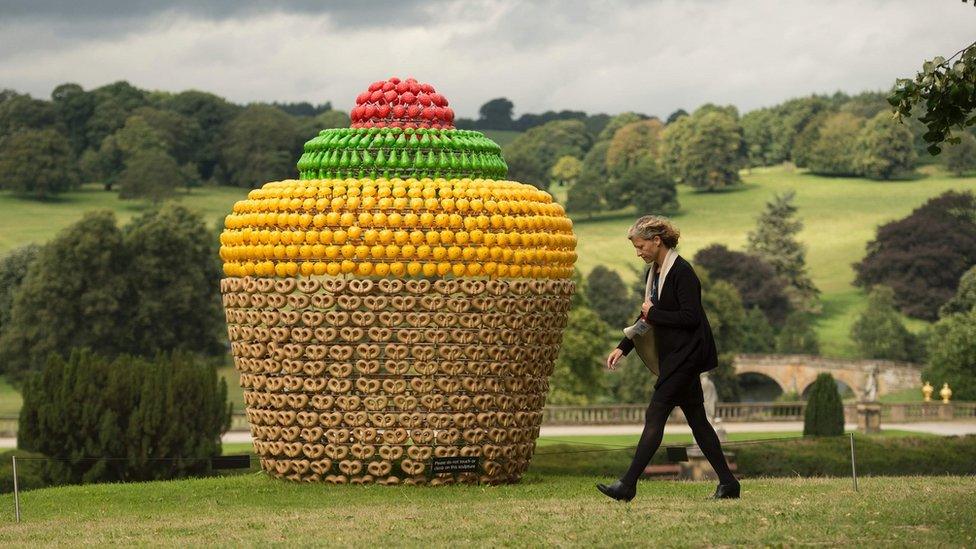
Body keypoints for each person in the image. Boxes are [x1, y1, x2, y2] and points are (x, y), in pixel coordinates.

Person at [597, 215, 740, 502]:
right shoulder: (656, 272)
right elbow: (646, 315)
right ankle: (729, 483)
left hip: (686, 356)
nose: (638, 253)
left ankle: (627, 485)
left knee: (655, 414)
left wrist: (654, 314)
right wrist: (622, 347)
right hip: (675, 356)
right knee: (698, 422)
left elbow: (689, 318)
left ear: (656, 240)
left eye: (640, 246)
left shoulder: (681, 272)